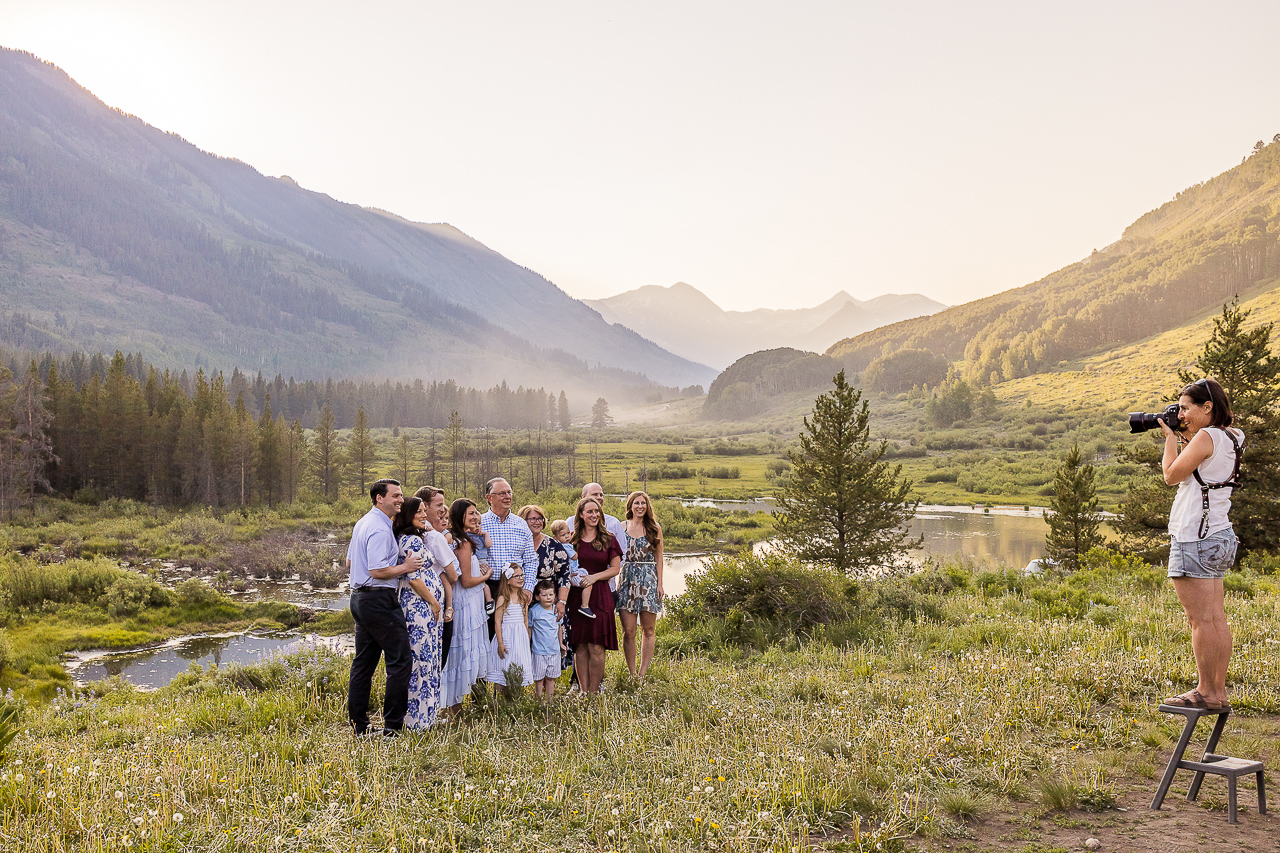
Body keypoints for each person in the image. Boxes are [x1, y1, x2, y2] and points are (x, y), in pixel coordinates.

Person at [1159, 377, 1244, 711]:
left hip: (1194, 536)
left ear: (1208, 407)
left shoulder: (1207, 435)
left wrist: (1170, 440)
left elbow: (1171, 475)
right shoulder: (1233, 436)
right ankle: (1216, 690)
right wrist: (1186, 436)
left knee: (1201, 621)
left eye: (1185, 408)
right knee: (1215, 619)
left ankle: (1207, 692)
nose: (1181, 415)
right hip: (1220, 533)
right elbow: (1205, 467)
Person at [346, 479, 423, 737]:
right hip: (378, 599)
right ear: (380, 498)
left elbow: (350, 562)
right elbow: (377, 571)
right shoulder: (379, 529)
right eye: (396, 496)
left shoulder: (363, 523)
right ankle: (393, 727)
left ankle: (360, 726)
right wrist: (406, 567)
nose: (400, 500)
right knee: (400, 661)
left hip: (359, 598)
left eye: (401, 496)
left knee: (364, 664)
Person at [391, 496, 444, 729]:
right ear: (407, 515)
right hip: (419, 608)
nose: (424, 515)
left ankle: (427, 715)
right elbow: (414, 578)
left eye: (425, 510)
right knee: (422, 661)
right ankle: (418, 720)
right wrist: (434, 602)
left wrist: (425, 525)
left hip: (420, 607)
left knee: (427, 658)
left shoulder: (412, 537)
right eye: (419, 512)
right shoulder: (411, 541)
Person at [566, 496, 622, 694]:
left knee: (597, 646)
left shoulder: (609, 538)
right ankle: (583, 691)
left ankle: (594, 691)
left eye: (596, 511)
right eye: (589, 511)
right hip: (577, 596)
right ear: (581, 514)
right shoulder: (572, 539)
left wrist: (594, 577)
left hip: (600, 596)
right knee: (580, 645)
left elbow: (615, 568)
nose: (594, 515)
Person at [440, 498, 492, 710]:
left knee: (470, 651)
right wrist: (486, 575)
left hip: (474, 600)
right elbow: (466, 580)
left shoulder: (466, 539)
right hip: (466, 600)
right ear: (459, 515)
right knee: (461, 652)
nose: (475, 516)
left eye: (476, 512)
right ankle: (455, 707)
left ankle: (467, 702)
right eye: (470, 513)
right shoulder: (462, 542)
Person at [617, 490, 664, 681]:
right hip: (627, 579)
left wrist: (660, 583)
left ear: (647, 506)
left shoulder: (654, 528)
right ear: (630, 506)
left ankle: (643, 674)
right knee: (629, 631)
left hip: (648, 579)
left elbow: (660, 557)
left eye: (643, 503)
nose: (640, 507)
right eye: (636, 503)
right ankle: (632, 672)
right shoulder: (621, 526)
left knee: (649, 629)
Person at [414, 486, 459, 663]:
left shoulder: (408, 531)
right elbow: (453, 576)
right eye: (439, 505)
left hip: (413, 603)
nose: (443, 509)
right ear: (425, 506)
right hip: (434, 603)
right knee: (437, 656)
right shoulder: (433, 537)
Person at [480, 478, 538, 609]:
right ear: (489, 498)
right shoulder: (479, 523)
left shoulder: (521, 524)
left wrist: (528, 588)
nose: (507, 497)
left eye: (509, 493)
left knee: (514, 628)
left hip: (515, 589)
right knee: (490, 629)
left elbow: (530, 561)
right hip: (487, 589)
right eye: (502, 493)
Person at [486, 561, 534, 694]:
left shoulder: (523, 597)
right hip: (507, 638)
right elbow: (497, 622)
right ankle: (498, 702)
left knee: (517, 667)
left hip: (519, 639)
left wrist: (526, 638)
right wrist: (500, 643)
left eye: (522, 575)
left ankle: (514, 700)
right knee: (504, 667)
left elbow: (525, 620)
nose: (521, 578)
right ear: (507, 580)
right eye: (516, 576)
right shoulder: (503, 599)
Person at [518, 504, 573, 619]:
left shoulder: (554, 546)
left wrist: (561, 602)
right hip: (519, 603)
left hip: (548, 605)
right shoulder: (515, 544)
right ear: (522, 521)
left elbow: (565, 575)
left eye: (540, 519)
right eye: (533, 519)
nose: (537, 522)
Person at [528, 579, 563, 700]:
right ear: (537, 597)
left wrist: (561, 644)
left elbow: (559, 628)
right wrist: (528, 644)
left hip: (553, 650)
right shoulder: (534, 611)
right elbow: (530, 628)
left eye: (551, 595)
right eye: (544, 595)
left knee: (550, 678)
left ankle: (549, 701)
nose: (548, 598)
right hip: (539, 651)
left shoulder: (556, 611)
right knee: (538, 678)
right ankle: (538, 700)